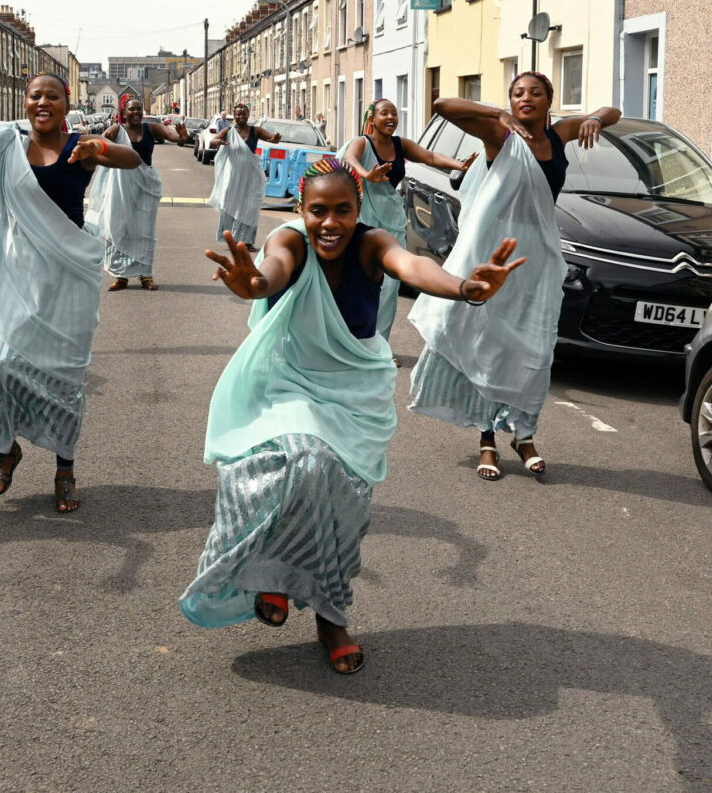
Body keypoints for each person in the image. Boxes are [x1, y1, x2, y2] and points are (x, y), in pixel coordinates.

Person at [180, 157, 524, 673]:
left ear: (359, 209)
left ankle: (326, 611)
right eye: (318, 210)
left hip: (354, 393)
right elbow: (270, 271)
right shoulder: (290, 241)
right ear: (301, 209)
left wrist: (464, 288)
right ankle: (280, 580)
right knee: (303, 461)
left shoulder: (373, 243)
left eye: (344, 210)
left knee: (346, 505)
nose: (330, 223)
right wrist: (253, 285)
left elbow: (412, 267)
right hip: (290, 383)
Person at [0, 72, 142, 513]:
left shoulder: (79, 147)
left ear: (67, 104)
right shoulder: (6, 142)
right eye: (35, 96)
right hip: (15, 270)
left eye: (52, 96)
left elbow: (130, 160)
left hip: (66, 277)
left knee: (64, 378)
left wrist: (98, 147)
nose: (42, 102)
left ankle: (65, 467)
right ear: (25, 102)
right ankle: (6, 449)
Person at [407, 73, 619, 480]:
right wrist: (496, 113)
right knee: (488, 344)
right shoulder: (499, 137)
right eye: (518, 93)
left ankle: (525, 436)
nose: (526, 98)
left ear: (548, 100)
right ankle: (487, 439)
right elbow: (443, 106)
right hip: (495, 257)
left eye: (535, 93)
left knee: (535, 352)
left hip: (538, 262)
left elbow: (614, 113)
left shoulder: (560, 135)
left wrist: (594, 117)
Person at [339, 98, 477, 350]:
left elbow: (431, 156)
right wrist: (367, 174)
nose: (391, 117)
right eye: (384, 113)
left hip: (392, 220)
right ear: (373, 119)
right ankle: (351, 342)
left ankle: (378, 347)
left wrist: (460, 164)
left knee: (390, 287)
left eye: (394, 113)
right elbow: (349, 158)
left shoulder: (400, 145)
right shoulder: (362, 143)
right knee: (359, 281)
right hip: (363, 220)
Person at [91, 97, 188, 290]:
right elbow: (101, 141)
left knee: (145, 230)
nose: (136, 113)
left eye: (139, 109)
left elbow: (172, 135)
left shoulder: (151, 128)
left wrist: (181, 135)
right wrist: (102, 139)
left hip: (145, 186)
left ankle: (146, 274)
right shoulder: (118, 130)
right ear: (124, 113)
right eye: (131, 110)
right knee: (119, 227)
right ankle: (121, 276)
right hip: (120, 187)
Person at [208, 101, 281, 250]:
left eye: (244, 114)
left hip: (251, 176)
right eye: (238, 114)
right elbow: (212, 142)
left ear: (248, 115)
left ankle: (246, 241)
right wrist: (218, 141)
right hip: (234, 177)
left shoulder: (256, 131)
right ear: (234, 116)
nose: (241, 116)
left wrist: (275, 139)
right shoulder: (229, 131)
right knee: (230, 205)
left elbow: (271, 138)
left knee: (251, 206)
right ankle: (230, 238)